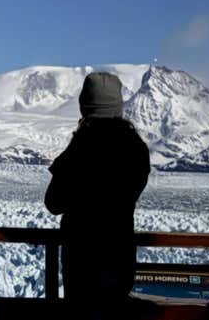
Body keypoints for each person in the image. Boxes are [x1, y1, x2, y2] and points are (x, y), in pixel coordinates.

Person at [45, 72, 150, 319]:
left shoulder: (80, 148)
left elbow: (53, 202)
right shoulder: (136, 148)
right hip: (119, 254)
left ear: (85, 106)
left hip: (82, 258)